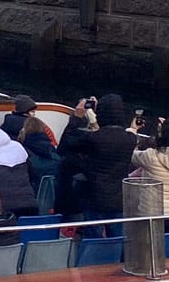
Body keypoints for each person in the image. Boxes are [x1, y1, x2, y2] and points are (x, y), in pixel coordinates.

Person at [56, 93, 141, 227]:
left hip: (94, 198)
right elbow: (124, 133)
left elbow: (65, 146)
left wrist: (76, 118)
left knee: (93, 238)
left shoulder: (93, 138)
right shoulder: (130, 139)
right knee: (116, 238)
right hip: (119, 200)